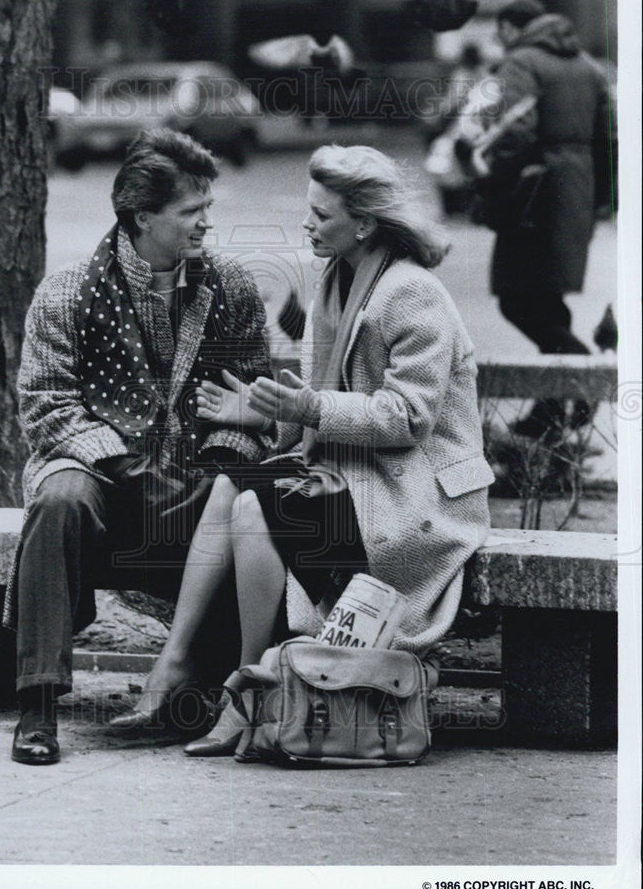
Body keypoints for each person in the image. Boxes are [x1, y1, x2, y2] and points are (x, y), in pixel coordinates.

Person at [117, 144, 495, 757]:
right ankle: (193, 666)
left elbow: (407, 419)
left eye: (321, 216)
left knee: (251, 504)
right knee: (231, 486)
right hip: (359, 480)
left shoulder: (411, 294)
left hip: (416, 503)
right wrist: (265, 412)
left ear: (364, 224)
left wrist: (304, 408)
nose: (307, 225)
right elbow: (320, 405)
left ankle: (244, 691)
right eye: (308, 211)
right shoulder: (339, 281)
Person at [3, 129, 273, 765]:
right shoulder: (65, 293)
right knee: (59, 501)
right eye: (190, 211)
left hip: (196, 489)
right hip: (102, 481)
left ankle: (204, 690)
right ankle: (38, 706)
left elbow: (251, 403)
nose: (206, 222)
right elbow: (46, 406)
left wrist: (221, 460)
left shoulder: (230, 288)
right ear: (142, 216)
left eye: (207, 207)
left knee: (241, 502)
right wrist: (126, 465)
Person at [481, 0, 615, 437]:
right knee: (545, 296)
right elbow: (610, 138)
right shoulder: (589, 66)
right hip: (577, 191)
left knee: (518, 298)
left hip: (532, 195)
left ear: (508, 28)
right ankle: (554, 407)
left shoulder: (520, 63)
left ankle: (580, 376)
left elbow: (511, 130)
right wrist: (602, 199)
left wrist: (489, 182)